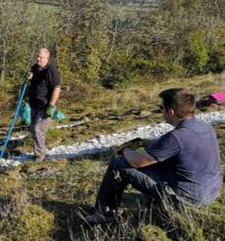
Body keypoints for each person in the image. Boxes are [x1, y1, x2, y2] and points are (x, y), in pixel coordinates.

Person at [85, 88, 222, 224]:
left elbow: (136, 162)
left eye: (161, 107)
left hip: (189, 196)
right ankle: (151, 201)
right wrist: (140, 142)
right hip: (210, 190)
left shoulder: (177, 137)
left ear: (170, 111)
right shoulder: (203, 125)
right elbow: (163, 144)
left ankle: (104, 214)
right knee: (157, 161)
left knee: (118, 162)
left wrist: (125, 148)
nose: (160, 110)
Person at [28, 48, 61, 162]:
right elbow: (32, 84)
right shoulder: (34, 68)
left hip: (45, 106)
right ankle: (38, 153)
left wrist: (51, 105)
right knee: (33, 130)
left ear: (47, 58)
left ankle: (40, 156)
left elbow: (56, 88)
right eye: (37, 56)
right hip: (33, 105)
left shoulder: (51, 70)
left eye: (40, 57)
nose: (38, 59)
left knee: (38, 130)